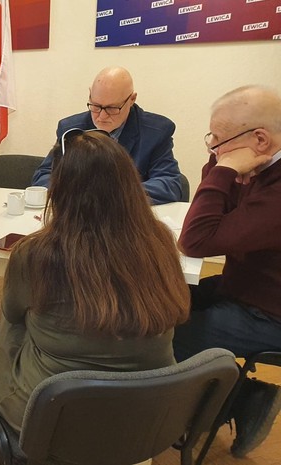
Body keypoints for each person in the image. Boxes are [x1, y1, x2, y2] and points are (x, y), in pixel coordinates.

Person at [0, 130, 189, 436]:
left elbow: (12, 313)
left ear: (60, 190)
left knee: (10, 319)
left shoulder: (37, 253)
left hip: (51, 419)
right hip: (150, 414)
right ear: (129, 184)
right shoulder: (160, 241)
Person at [173, 85, 281, 458]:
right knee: (159, 302)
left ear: (260, 140)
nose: (213, 149)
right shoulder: (261, 167)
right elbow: (211, 220)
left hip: (269, 313)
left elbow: (196, 240)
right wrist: (222, 165)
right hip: (243, 288)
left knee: (170, 334)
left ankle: (240, 399)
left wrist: (224, 169)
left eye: (219, 141)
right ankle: (239, 392)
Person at [32, 66, 183, 205]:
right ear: (90, 95)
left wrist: (112, 195)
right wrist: (74, 195)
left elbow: (169, 183)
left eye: (112, 108)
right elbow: (44, 176)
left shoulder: (156, 131)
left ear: (132, 99)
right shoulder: (71, 129)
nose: (102, 116)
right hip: (79, 216)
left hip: (127, 216)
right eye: (96, 106)